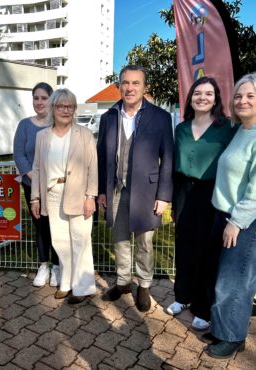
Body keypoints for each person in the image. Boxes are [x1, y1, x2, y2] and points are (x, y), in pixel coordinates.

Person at [97, 65, 174, 311]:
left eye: (135, 83)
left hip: (147, 192)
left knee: (144, 243)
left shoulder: (160, 117)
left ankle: (144, 285)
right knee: (119, 239)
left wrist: (163, 195)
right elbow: (101, 158)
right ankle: (122, 283)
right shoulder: (108, 117)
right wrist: (101, 191)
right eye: (125, 83)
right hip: (116, 190)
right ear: (119, 86)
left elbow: (168, 159)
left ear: (144, 87)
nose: (130, 88)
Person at [167, 77, 237, 330]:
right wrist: (174, 202)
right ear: (190, 98)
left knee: (207, 250)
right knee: (184, 245)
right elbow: (176, 168)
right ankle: (182, 297)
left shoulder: (226, 128)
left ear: (216, 98)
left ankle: (202, 306)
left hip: (212, 193)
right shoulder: (182, 128)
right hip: (184, 190)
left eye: (209, 93)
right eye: (198, 93)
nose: (202, 98)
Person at [203, 73, 256, 358]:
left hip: (244, 222)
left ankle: (233, 337)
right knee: (221, 276)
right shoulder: (242, 130)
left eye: (250, 95)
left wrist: (236, 222)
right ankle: (224, 326)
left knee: (234, 281)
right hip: (223, 213)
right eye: (238, 96)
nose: (242, 100)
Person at [31, 88, 97, 304]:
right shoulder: (42, 136)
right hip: (52, 194)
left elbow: (92, 167)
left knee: (81, 241)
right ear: (53, 108)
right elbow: (38, 168)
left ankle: (83, 287)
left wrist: (91, 196)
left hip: (79, 193)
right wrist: (35, 198)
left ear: (74, 109)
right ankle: (66, 282)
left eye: (70, 106)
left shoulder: (84, 135)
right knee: (60, 243)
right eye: (61, 106)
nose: (65, 110)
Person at [14, 82, 60, 287]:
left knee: (57, 226)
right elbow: (19, 154)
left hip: (55, 186)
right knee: (40, 226)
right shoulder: (24, 125)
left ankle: (58, 267)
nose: (40, 102)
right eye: (36, 98)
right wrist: (33, 176)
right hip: (31, 184)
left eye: (44, 98)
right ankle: (43, 266)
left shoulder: (58, 124)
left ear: (51, 100)